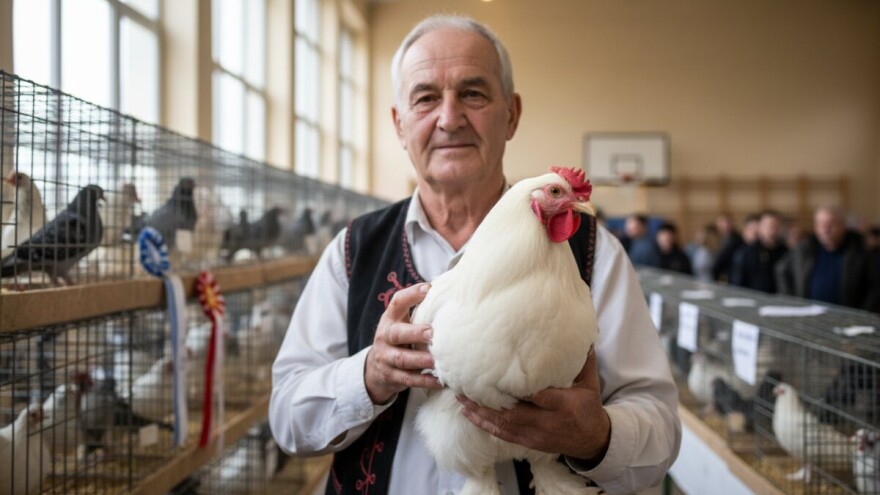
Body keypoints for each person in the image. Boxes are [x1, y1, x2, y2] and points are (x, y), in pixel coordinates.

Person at [269, 15, 680, 495]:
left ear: (512, 114)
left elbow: (660, 429)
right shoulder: (352, 250)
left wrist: (594, 435)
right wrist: (369, 376)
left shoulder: (595, 252)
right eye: (425, 98)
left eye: (473, 94)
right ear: (399, 124)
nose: (449, 118)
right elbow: (287, 419)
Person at [776, 206, 880, 313]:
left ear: (842, 225)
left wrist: (864, 313)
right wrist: (790, 301)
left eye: (831, 223)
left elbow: (876, 286)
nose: (826, 229)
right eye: (821, 224)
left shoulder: (861, 249)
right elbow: (782, 269)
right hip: (809, 314)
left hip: (850, 318)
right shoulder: (805, 248)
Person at [731, 210, 787, 293]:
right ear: (760, 227)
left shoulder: (786, 253)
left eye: (775, 225)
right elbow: (737, 284)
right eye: (768, 225)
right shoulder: (746, 253)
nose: (771, 229)